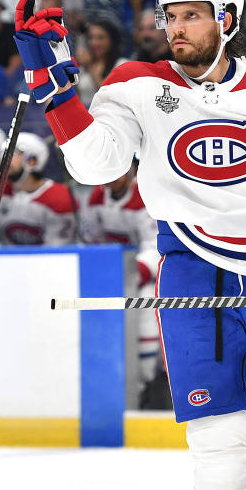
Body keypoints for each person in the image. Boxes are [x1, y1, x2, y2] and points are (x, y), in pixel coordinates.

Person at [14, 0, 246, 489]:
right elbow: (95, 165)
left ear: (228, 18)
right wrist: (60, 98)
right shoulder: (136, 83)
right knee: (216, 445)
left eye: (192, 15)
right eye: (169, 16)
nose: (175, 28)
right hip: (192, 269)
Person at [77, 159, 167, 409]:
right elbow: (93, 240)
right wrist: (101, 268)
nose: (113, 177)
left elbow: (156, 245)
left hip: (147, 275)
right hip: (115, 276)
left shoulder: (146, 194)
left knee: (147, 311)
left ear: (132, 170)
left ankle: (147, 382)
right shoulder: (97, 196)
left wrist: (135, 272)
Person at [0, 132, 77, 245]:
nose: (4, 159)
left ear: (32, 161)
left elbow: (57, 252)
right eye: (3, 153)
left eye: (13, 153)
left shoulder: (60, 198)